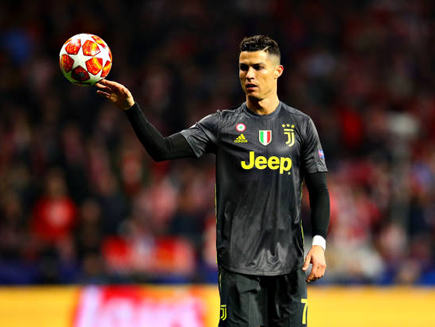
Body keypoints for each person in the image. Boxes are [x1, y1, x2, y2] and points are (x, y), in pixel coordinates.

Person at [96, 35, 330, 327]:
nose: (249, 75)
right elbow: (162, 150)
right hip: (239, 267)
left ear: (277, 71)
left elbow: (319, 189)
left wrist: (318, 243)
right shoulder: (222, 125)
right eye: (243, 68)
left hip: (289, 266)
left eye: (257, 67)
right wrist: (131, 109)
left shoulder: (301, 125)